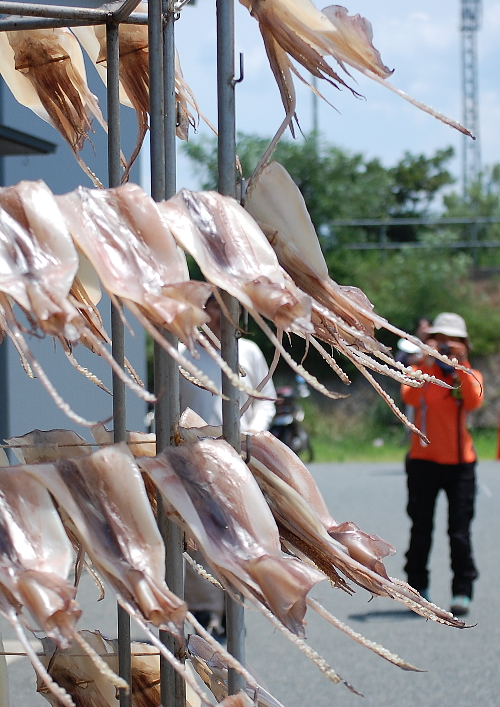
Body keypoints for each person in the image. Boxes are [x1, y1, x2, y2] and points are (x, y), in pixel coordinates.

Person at [179, 294, 276, 637]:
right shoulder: (181, 352)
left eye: (225, 305)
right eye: (211, 305)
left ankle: (233, 603)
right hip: (194, 455)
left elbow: (265, 400)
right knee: (197, 533)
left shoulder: (248, 352)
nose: (218, 314)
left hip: (238, 458)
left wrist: (252, 434)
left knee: (237, 531)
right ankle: (205, 608)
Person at [401, 312, 483, 617]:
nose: (447, 346)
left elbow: (474, 400)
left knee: (459, 532)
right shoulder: (420, 371)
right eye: (441, 340)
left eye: (454, 341)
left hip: (460, 464)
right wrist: (428, 360)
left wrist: (459, 367)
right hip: (423, 462)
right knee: (421, 528)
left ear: (464, 344)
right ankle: (416, 588)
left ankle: (463, 589)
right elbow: (408, 393)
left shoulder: (469, 375)